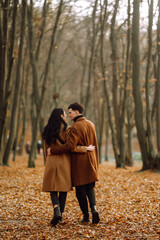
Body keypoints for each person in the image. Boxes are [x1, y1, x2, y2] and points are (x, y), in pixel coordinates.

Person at [47, 103, 100, 224]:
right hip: (91, 160)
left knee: (80, 191)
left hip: (80, 162)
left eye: (70, 112)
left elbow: (70, 146)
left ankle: (86, 216)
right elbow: (94, 144)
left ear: (77, 112)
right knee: (90, 188)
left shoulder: (75, 127)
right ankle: (94, 209)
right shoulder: (91, 124)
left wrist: (53, 150)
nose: (69, 115)